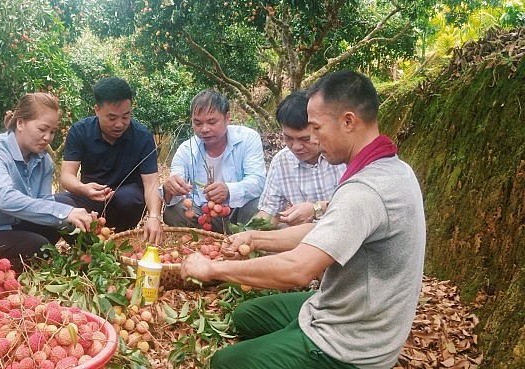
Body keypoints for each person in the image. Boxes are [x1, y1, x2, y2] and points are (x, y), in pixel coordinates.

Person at [180, 71, 426, 369]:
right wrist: (254, 237)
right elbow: (322, 230)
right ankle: (290, 338)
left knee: (224, 362)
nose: (315, 141)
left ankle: (302, 347)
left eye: (317, 129)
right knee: (246, 316)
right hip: (343, 305)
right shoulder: (391, 168)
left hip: (352, 344)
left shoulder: (366, 189)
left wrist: (212, 269)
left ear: (348, 122)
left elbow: (298, 269)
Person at [0, 92, 94, 272]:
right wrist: (64, 214)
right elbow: (5, 199)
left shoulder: (44, 160)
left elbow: (45, 203)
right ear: (20, 123)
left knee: (66, 204)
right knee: (40, 244)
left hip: (12, 225)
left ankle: (92, 258)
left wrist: (79, 218)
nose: (48, 137)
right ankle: (5, 269)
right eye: (42, 129)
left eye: (53, 131)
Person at [55, 76, 162, 244]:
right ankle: (88, 249)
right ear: (97, 110)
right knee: (59, 203)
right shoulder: (79, 132)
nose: (119, 124)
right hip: (90, 200)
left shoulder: (142, 137)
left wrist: (154, 216)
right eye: (112, 118)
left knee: (130, 198)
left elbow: (152, 183)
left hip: (125, 203)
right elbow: (67, 177)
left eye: (125, 116)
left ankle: (120, 243)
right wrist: (84, 189)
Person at [160, 89, 267, 233]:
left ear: (227, 117)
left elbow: (258, 181)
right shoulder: (187, 149)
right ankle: (212, 235)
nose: (204, 129)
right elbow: (176, 181)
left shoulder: (247, 138)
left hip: (240, 211)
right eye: (197, 123)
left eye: (212, 122)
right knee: (174, 212)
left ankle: (245, 234)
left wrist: (229, 190)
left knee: (260, 205)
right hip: (205, 215)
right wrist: (170, 188)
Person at [255, 90, 346, 227]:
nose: (296, 147)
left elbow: (360, 203)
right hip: (302, 240)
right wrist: (247, 234)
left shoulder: (343, 156)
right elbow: (269, 212)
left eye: (305, 139)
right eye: (288, 138)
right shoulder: (282, 162)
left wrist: (317, 209)